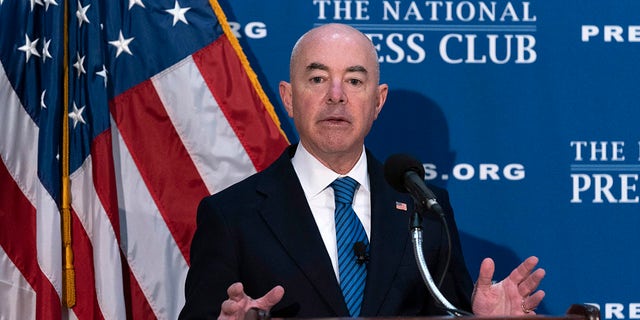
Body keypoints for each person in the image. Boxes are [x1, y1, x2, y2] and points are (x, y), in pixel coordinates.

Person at [179, 23, 545, 320]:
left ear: (378, 101)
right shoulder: (232, 216)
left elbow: (450, 312)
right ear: (289, 97)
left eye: (354, 81)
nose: (336, 95)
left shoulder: (425, 206)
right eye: (318, 79)